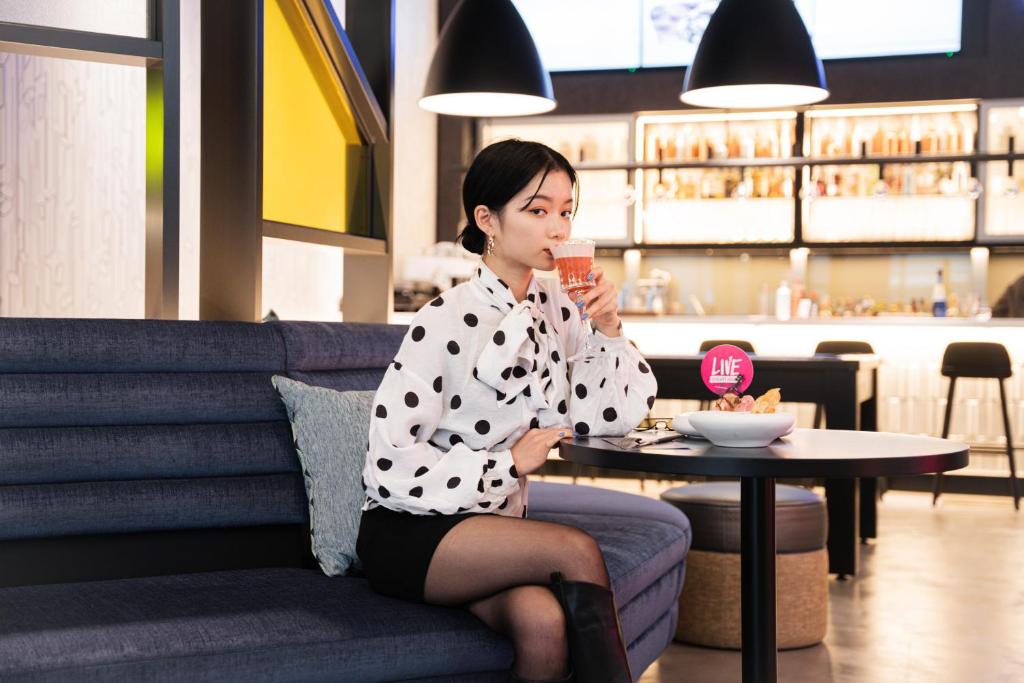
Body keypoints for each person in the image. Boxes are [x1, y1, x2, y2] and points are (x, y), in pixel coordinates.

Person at [356, 139, 658, 683]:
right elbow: (388, 464)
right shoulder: (443, 319)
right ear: (487, 219)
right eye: (538, 211)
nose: (558, 229)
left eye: (566, 212)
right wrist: (507, 463)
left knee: (543, 623)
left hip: (495, 530)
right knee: (575, 549)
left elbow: (604, 418)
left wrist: (608, 329)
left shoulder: (560, 308)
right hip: (414, 531)